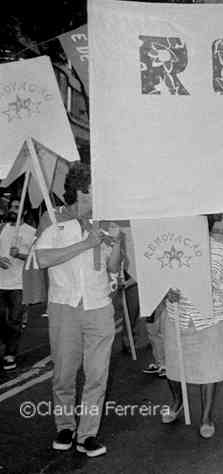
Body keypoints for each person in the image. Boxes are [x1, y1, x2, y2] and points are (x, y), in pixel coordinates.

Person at [34, 163, 124, 457]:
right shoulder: (52, 218)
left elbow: (111, 267)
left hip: (99, 305)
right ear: (82, 191)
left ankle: (87, 434)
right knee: (64, 372)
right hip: (64, 306)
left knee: (97, 374)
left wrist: (118, 244)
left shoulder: (103, 221)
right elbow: (42, 259)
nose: (100, 198)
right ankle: (64, 426)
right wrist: (86, 243)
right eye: (95, 191)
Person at [160, 219, 223, 439]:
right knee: (173, 367)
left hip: (211, 318)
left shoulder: (219, 251)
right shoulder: (169, 248)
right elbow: (158, 280)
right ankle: (177, 402)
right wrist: (166, 291)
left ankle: (206, 417)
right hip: (177, 316)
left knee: (209, 370)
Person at [0, 200, 36, 371]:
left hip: (19, 284)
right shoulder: (1, 228)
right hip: (0, 283)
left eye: (17, 207)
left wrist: (20, 254)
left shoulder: (31, 232)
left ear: (24, 211)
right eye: (11, 207)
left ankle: (10, 354)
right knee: (1, 320)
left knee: (14, 321)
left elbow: (37, 258)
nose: (12, 210)